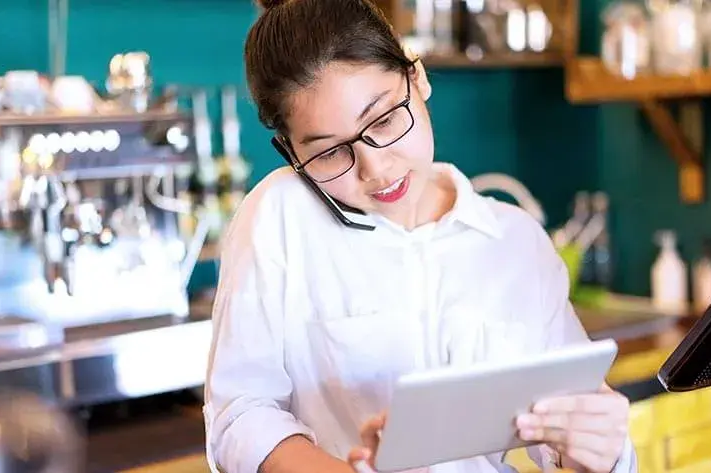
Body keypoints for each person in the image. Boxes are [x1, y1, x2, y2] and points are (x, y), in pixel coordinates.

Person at [203, 0, 637, 472]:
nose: (375, 168)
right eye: (330, 153)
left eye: (385, 120)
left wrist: (602, 450)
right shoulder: (279, 216)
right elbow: (239, 414)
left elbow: (565, 433)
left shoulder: (516, 243)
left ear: (418, 78)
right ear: (290, 151)